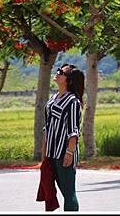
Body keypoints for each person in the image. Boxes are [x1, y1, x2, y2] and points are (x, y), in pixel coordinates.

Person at [41, 63, 85, 211]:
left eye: (62, 72)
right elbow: (47, 127)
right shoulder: (53, 98)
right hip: (51, 152)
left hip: (64, 153)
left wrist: (69, 152)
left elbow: (73, 130)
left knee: (68, 193)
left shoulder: (73, 101)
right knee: (56, 189)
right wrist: (44, 151)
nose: (58, 73)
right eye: (59, 70)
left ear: (69, 80)